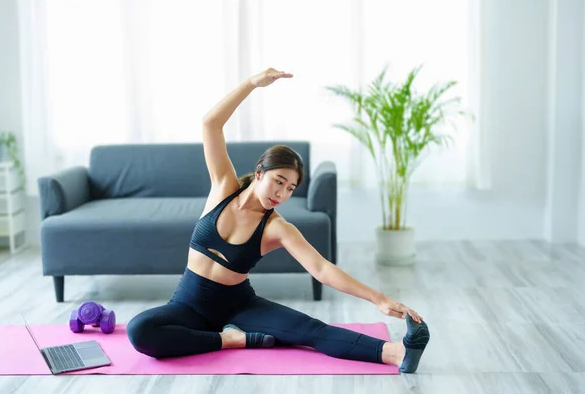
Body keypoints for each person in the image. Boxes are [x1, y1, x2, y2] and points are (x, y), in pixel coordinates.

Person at [126, 68, 430, 373]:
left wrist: (379, 299)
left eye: (290, 188)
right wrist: (250, 84)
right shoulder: (223, 189)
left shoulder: (277, 227)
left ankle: (395, 352)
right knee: (140, 330)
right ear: (260, 172)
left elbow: (322, 269)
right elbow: (210, 124)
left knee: (310, 330)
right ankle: (230, 340)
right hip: (186, 307)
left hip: (240, 306)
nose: (281, 193)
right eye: (278, 181)